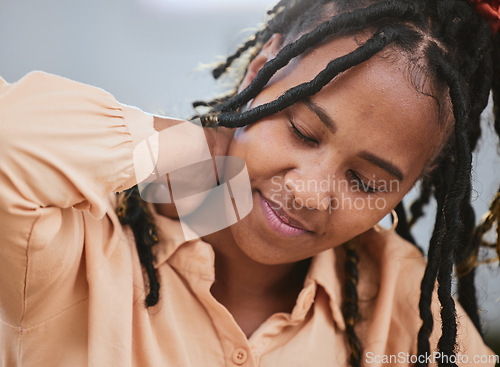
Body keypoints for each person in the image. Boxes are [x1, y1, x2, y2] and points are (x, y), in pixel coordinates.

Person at [1, 0, 499, 366]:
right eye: (302, 131)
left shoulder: (406, 310)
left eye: (366, 182)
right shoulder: (78, 247)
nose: (307, 192)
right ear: (260, 72)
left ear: (416, 182)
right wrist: (185, 150)